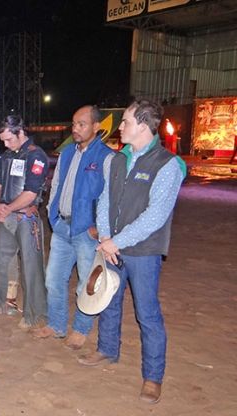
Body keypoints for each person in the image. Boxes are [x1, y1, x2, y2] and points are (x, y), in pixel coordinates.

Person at [78, 99, 186, 404]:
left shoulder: (167, 165)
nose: (120, 127)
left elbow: (156, 215)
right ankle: (107, 349)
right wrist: (107, 238)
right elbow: (105, 201)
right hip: (113, 245)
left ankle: (153, 377)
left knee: (147, 313)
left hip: (143, 251)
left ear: (143, 125)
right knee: (108, 300)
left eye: (125, 122)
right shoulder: (116, 160)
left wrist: (117, 242)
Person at [34, 105, 114, 349]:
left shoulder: (106, 157)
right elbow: (56, 184)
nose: (76, 129)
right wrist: (52, 214)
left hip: (86, 233)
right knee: (54, 280)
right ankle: (57, 325)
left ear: (96, 127)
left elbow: (109, 197)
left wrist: (98, 228)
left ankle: (81, 328)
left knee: (85, 285)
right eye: (74, 124)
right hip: (61, 227)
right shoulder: (68, 153)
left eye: (82, 124)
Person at [0, 115, 49, 330]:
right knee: (1, 261)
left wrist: (8, 208)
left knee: (31, 265)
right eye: (2, 140)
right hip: (6, 215)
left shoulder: (36, 156)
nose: (5, 144)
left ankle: (34, 313)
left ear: (20, 132)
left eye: (8, 139)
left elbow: (31, 192)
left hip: (25, 217)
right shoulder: (4, 157)